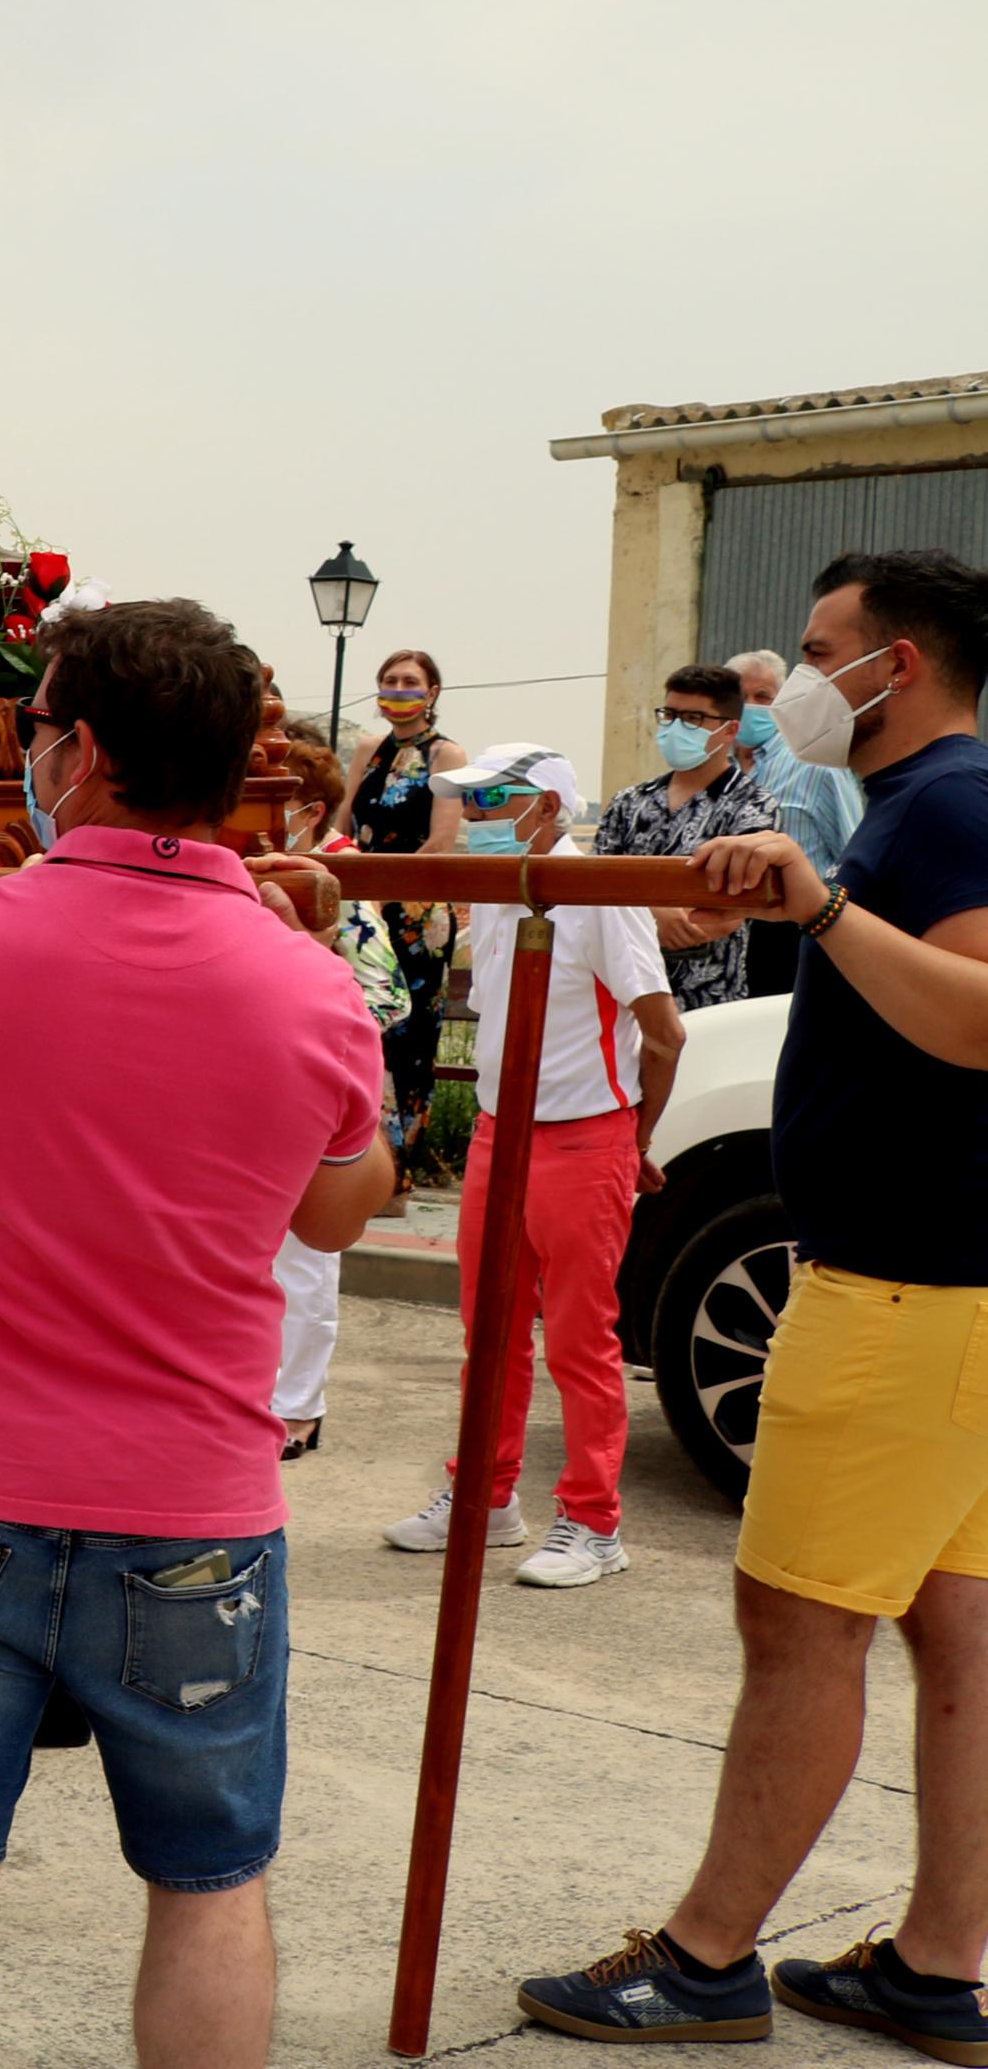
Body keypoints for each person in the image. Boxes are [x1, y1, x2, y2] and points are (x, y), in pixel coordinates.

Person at [0, 598, 393, 2069]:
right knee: (206, 1888)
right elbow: (338, 1211)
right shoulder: (305, 982)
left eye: (32, 727)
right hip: (192, 1498)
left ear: (74, 752)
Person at [515, 550, 988, 2052]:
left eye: (814, 647)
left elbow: (978, 1016)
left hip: (905, 1293)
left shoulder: (951, 805)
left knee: (795, 1626)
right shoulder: (922, 809)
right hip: (942, 1293)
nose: (787, 681)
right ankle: (932, 1963)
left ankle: (706, 1954)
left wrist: (828, 913)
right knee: (958, 1628)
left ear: (892, 662)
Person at [377, 746, 681, 1591]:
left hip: (584, 1138)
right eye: (467, 803)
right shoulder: (506, 886)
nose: (470, 818)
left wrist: (631, 1139)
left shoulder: (594, 891)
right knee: (491, 1335)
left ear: (544, 804)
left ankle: (592, 1519)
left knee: (579, 1342)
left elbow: (664, 1031)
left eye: (488, 802)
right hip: (495, 1132)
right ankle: (483, 1494)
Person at [258, 727, 411, 1461]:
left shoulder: (337, 881)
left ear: (311, 810)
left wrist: (307, 977)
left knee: (307, 1252)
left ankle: (297, 1405)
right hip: (254, 1075)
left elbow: (386, 996)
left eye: (278, 802)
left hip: (322, 1077)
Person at [338, 648, 469, 1152]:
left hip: (415, 912)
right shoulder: (369, 749)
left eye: (410, 680)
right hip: (364, 908)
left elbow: (439, 841)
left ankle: (401, 1167)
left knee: (410, 1038)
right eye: (389, 679)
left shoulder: (446, 755)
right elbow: (345, 822)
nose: (398, 688)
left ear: (432, 692)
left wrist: (383, 891)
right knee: (363, 1029)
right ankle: (360, 1152)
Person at [595, 665, 779, 1010]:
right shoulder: (630, 802)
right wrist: (654, 912)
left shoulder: (753, 805)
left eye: (693, 718)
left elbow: (731, 908)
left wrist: (639, 910)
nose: (677, 727)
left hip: (707, 998)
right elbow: (593, 887)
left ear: (730, 730)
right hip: (622, 994)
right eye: (670, 714)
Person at [729, 647, 865, 1003]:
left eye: (763, 696)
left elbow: (854, 851)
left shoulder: (815, 764)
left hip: (796, 933)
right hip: (731, 938)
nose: (750, 706)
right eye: (740, 696)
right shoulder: (717, 772)